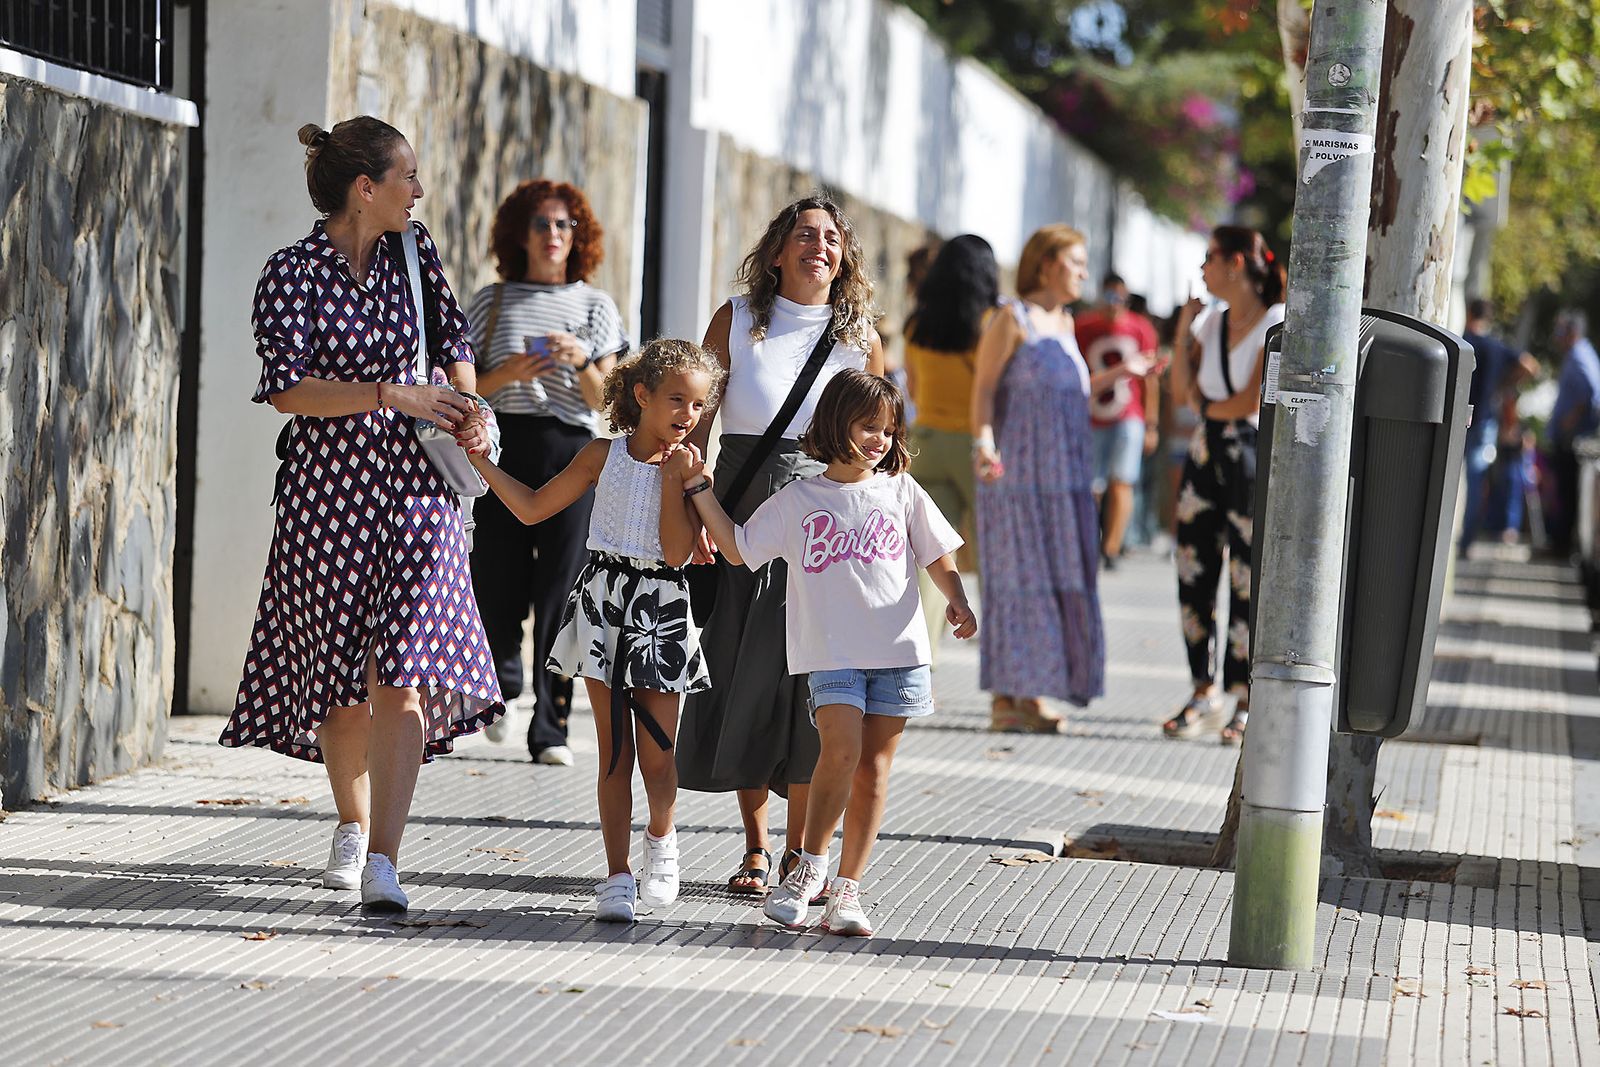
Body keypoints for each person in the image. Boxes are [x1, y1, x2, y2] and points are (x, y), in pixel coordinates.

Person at [221, 118, 502, 912]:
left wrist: (471, 408)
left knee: (403, 676)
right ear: (365, 188)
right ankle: (351, 821)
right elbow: (286, 388)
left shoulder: (420, 256)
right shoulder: (292, 273)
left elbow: (455, 344)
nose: (420, 190)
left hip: (421, 495)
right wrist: (387, 392)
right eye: (407, 176)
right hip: (328, 498)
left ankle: (384, 855)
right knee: (340, 685)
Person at [683, 370, 977, 935]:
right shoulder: (800, 497)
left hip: (898, 652)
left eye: (889, 430)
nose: (880, 440)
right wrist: (700, 494)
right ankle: (807, 870)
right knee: (838, 752)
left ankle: (848, 890)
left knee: (874, 769)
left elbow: (937, 552)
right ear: (835, 423)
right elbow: (741, 550)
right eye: (869, 426)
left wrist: (957, 599)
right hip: (830, 654)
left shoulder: (901, 490)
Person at [465, 339, 723, 922]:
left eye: (699, 405)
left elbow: (678, 552)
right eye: (676, 399)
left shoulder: (687, 469)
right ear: (642, 395)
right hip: (603, 601)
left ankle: (661, 844)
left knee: (659, 757)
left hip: (661, 606)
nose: (687, 414)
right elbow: (532, 508)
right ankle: (616, 874)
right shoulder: (601, 455)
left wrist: (678, 481)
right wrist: (481, 461)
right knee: (614, 753)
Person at [677, 195, 886, 896]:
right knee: (744, 668)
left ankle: (806, 852)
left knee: (810, 684)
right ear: (776, 252)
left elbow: (878, 446)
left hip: (827, 526)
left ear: (844, 256)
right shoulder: (735, 321)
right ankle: (757, 845)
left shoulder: (860, 337)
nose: (817, 246)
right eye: (803, 235)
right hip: (740, 510)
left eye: (831, 238)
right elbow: (695, 422)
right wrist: (692, 514)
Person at [465, 180, 630, 766]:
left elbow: (609, 399)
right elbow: (464, 387)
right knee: (494, 576)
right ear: (520, 233)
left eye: (565, 225)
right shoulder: (492, 302)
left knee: (563, 589)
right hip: (504, 445)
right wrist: (510, 371)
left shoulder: (595, 306)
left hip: (572, 451)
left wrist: (580, 359)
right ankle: (503, 681)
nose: (554, 235)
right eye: (542, 224)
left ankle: (551, 726)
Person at [972, 225, 1149, 733]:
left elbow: (1068, 390)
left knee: (1053, 582)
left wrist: (1123, 373)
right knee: (1015, 581)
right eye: (1076, 262)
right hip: (1018, 475)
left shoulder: (1066, 323)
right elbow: (983, 390)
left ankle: (1029, 691)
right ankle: (1006, 698)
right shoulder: (1012, 317)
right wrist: (983, 443)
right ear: (1047, 264)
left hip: (1067, 475)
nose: (1084, 273)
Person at [1162, 226, 1286, 746]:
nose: (1202, 269)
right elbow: (1179, 391)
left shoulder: (1277, 323)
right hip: (1205, 457)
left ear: (1237, 263)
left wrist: (1203, 406)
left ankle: (1245, 698)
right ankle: (1202, 687)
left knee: (1246, 579)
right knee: (1193, 570)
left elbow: (1253, 399)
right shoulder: (1210, 321)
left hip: (1251, 459)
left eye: (1209, 259)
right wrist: (1183, 330)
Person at [903, 235, 1000, 651]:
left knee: (930, 559)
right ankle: (1003, 654)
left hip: (925, 440)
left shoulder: (917, 323)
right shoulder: (989, 324)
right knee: (996, 554)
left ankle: (920, 663)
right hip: (973, 446)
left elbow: (915, 386)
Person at [1078, 273, 1161, 568]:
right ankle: (1089, 543)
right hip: (1092, 416)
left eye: (1120, 298)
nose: (1115, 304)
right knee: (1091, 485)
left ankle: (1111, 548)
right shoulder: (1084, 326)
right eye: (1110, 297)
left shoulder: (1141, 329)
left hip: (1129, 415)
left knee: (1122, 483)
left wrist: (1151, 424)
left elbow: (1150, 381)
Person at [1460, 298, 1536, 557]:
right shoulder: (1496, 347)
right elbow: (1530, 365)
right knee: (1475, 484)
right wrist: (1506, 384)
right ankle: (1465, 543)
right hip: (1484, 424)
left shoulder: (1463, 342)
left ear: (1469, 313)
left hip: (1456, 421)